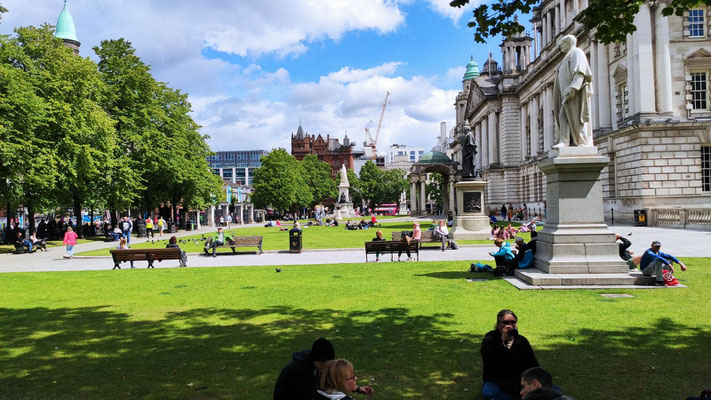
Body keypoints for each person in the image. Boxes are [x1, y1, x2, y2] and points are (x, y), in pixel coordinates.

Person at [481, 309, 539, 400]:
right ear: (498, 324)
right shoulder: (490, 339)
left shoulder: (521, 340)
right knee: (491, 394)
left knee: (554, 390)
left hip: (519, 382)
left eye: (513, 322)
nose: (510, 325)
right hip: (496, 381)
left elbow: (533, 364)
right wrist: (503, 339)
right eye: (505, 322)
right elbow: (489, 357)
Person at [553, 35, 594, 148]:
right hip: (566, 93)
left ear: (568, 42)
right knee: (563, 115)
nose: (560, 47)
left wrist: (574, 87)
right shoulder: (566, 57)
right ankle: (565, 141)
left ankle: (581, 141)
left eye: (562, 44)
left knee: (576, 117)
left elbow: (580, 71)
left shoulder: (577, 52)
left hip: (575, 93)